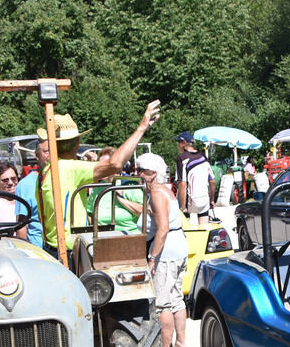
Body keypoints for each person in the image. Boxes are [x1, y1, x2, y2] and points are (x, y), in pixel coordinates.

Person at [38, 102, 161, 260]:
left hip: (51, 248)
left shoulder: (47, 170)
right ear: (76, 144)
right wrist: (141, 127)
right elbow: (115, 164)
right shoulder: (71, 169)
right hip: (68, 250)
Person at [138, 152, 189, 347]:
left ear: (151, 174)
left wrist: (152, 258)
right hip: (178, 247)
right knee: (176, 298)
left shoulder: (157, 194)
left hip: (166, 252)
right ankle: (181, 344)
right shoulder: (165, 191)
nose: (138, 174)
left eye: (141, 171)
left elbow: (162, 228)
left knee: (162, 303)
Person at [16, 140, 47, 248]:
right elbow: (21, 226)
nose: (51, 156)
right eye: (47, 151)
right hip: (40, 248)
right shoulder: (25, 185)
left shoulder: (66, 178)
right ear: (37, 155)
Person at [173, 131, 201, 212]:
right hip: (200, 195)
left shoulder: (181, 158)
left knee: (183, 221)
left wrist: (183, 206)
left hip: (186, 195)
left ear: (184, 143)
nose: (178, 145)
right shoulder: (201, 156)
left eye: (178, 142)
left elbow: (182, 183)